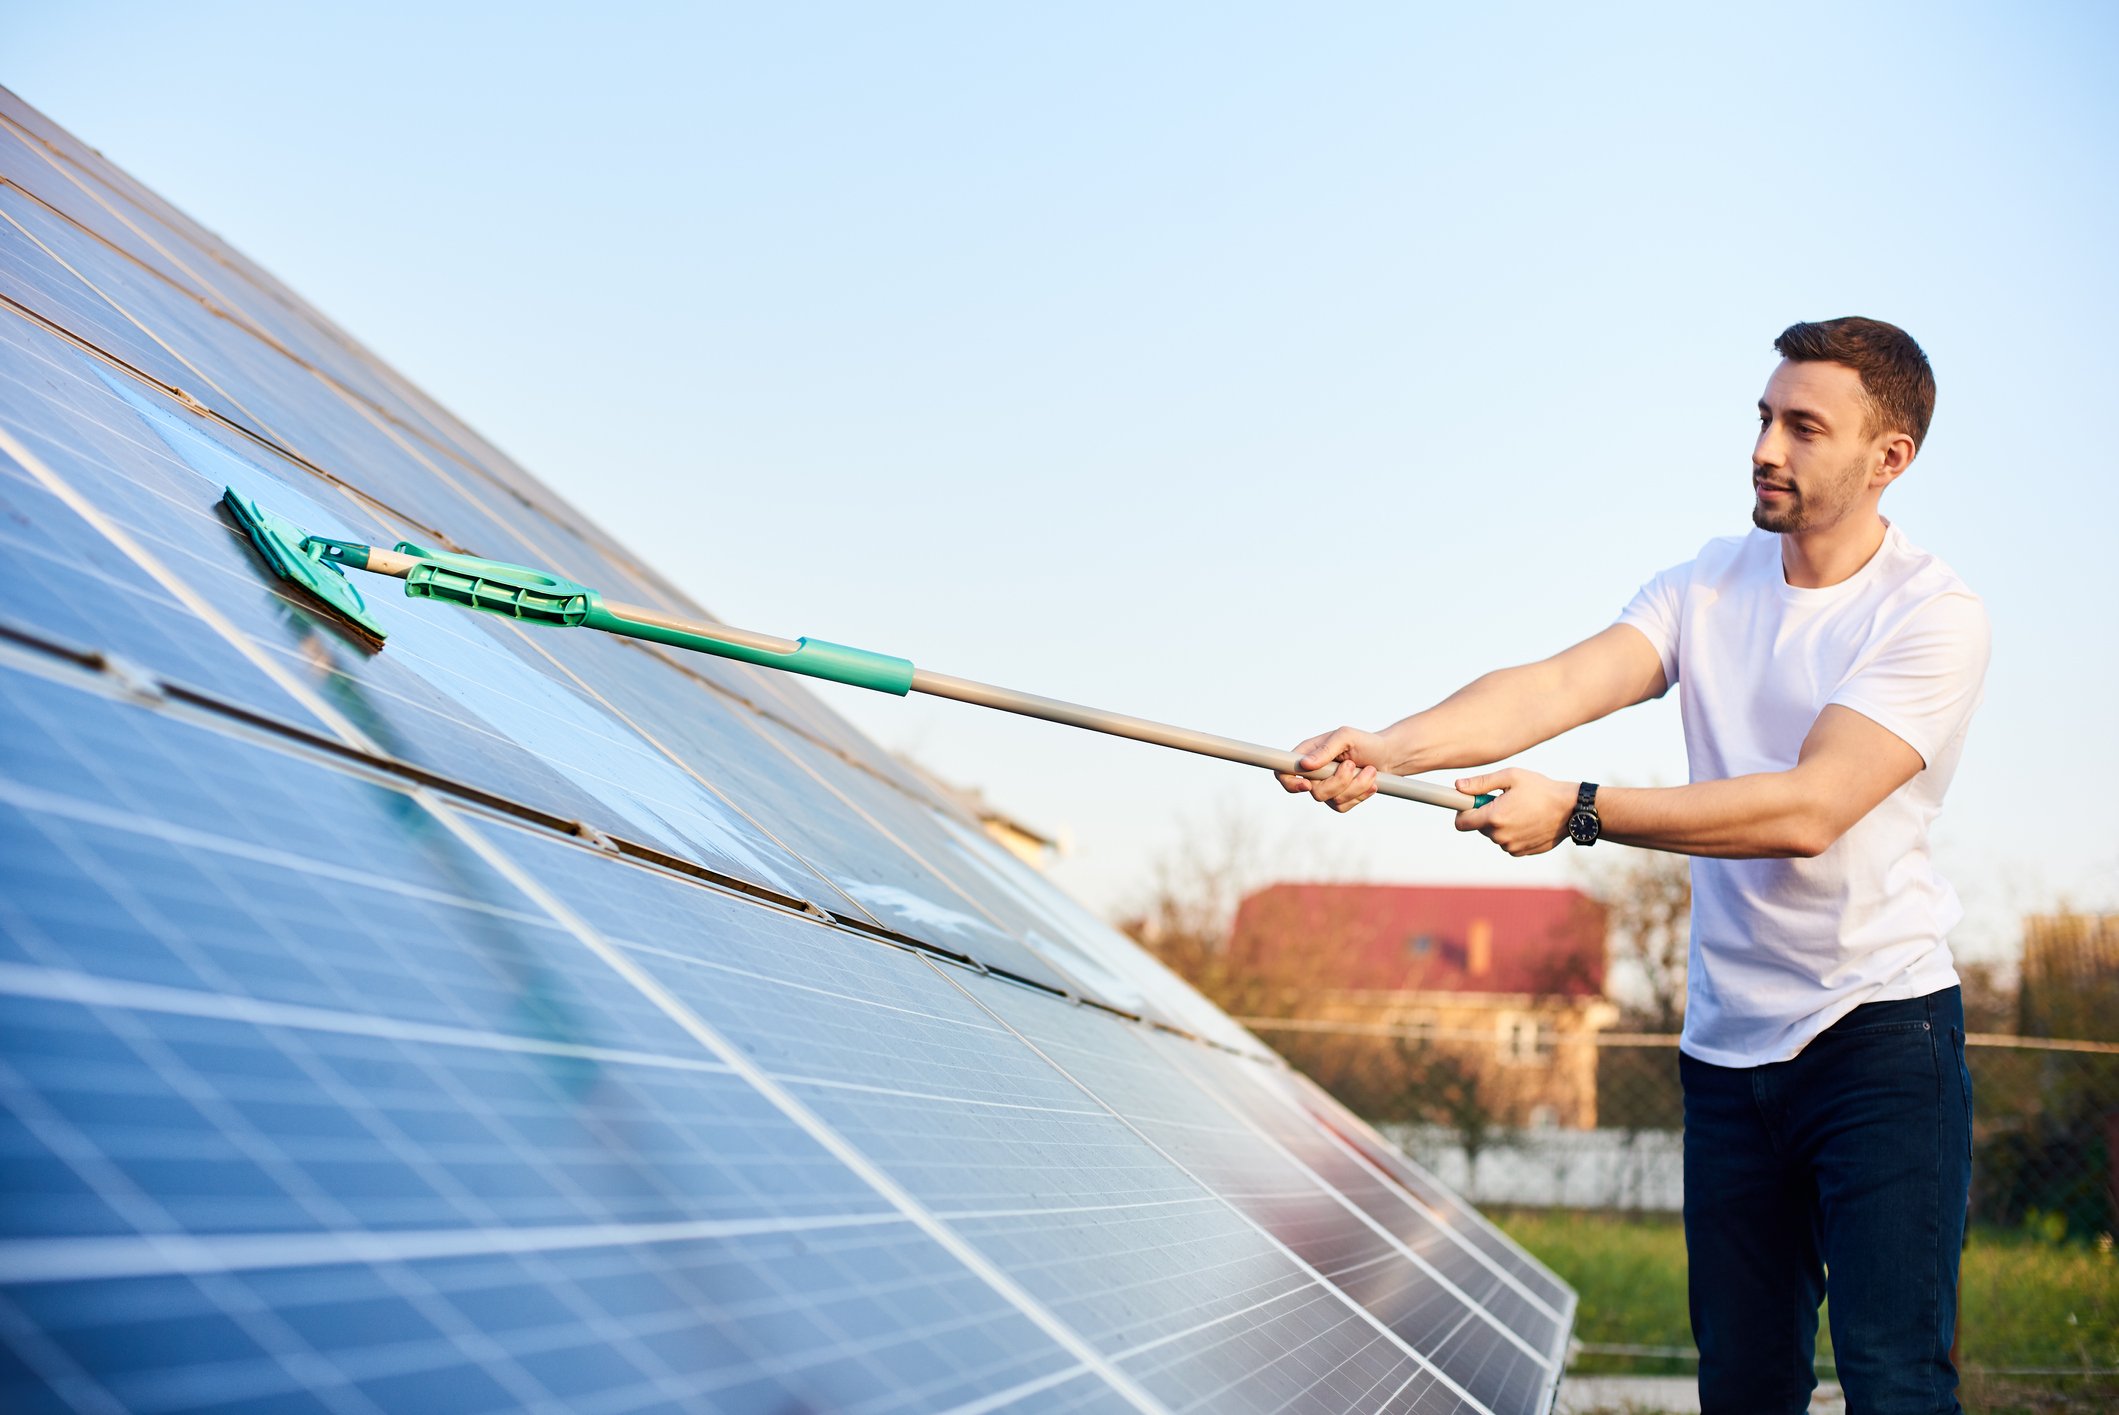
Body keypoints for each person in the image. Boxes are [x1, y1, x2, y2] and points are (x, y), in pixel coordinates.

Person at [1278, 317, 1987, 1414]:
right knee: (1744, 1386)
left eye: (1804, 427)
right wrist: (1389, 745)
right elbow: (1555, 686)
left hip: (1880, 1036)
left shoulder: (1932, 616)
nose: (1765, 447)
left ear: (1889, 458)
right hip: (1725, 1053)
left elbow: (1809, 807)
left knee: (1895, 1381)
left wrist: (1580, 810)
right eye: (1763, 417)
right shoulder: (1707, 583)